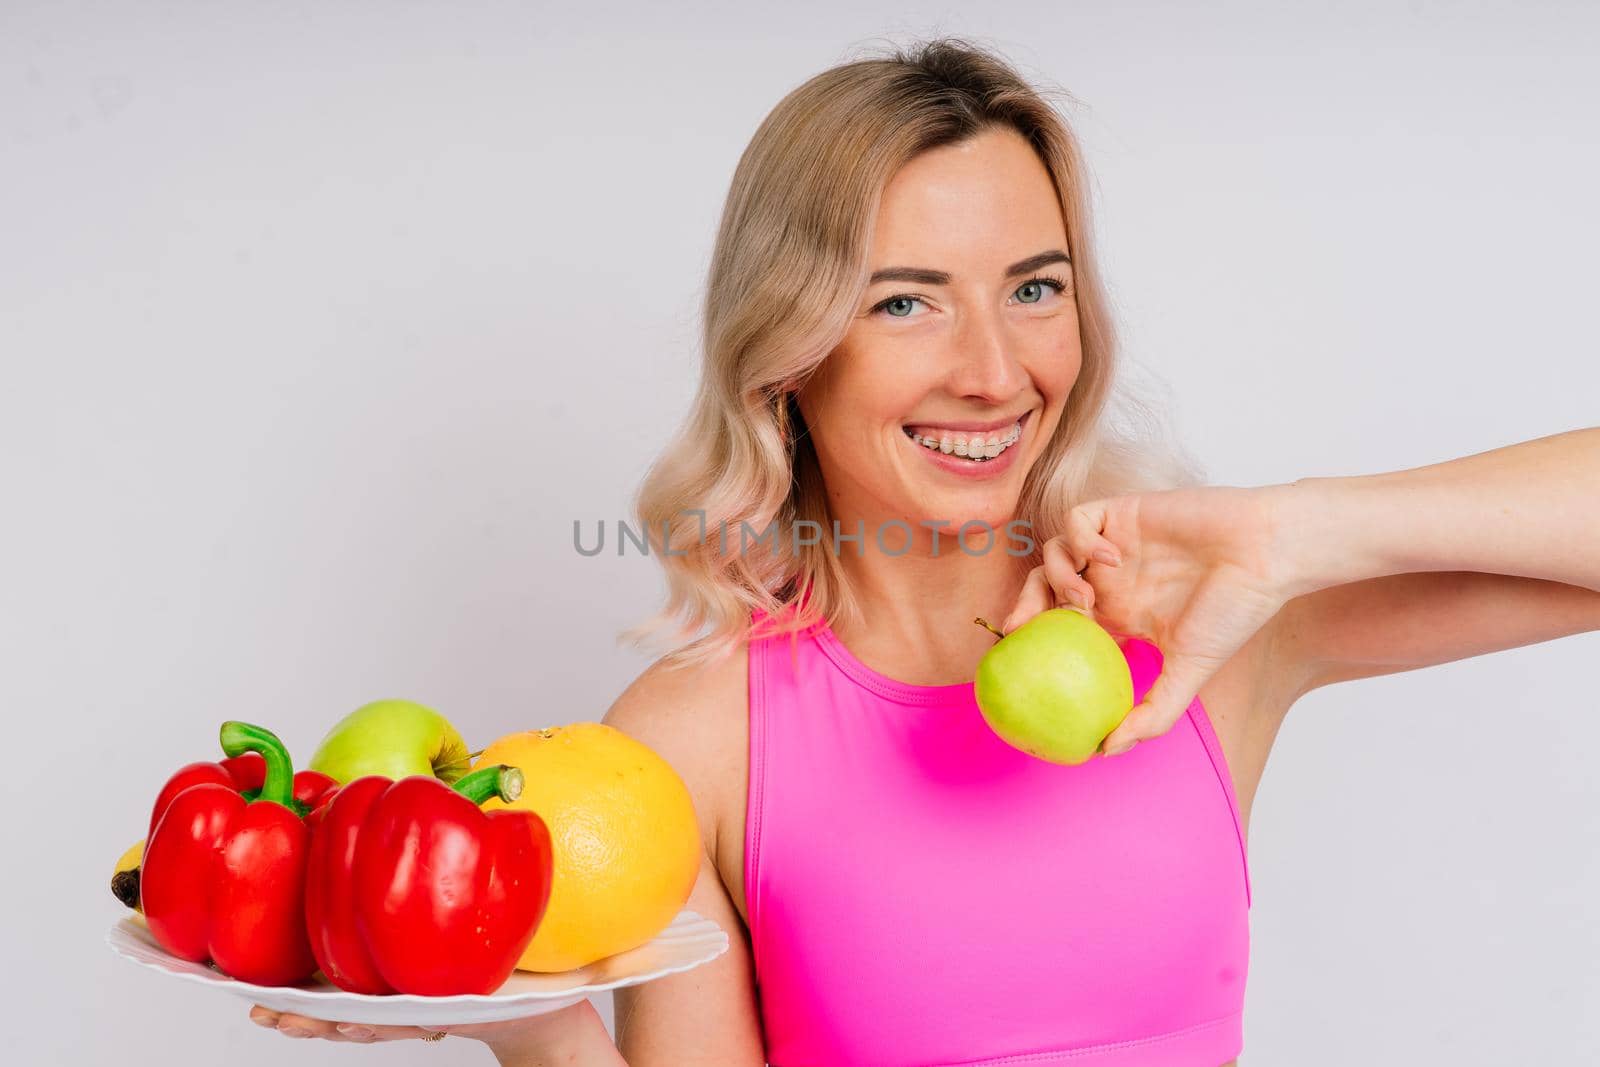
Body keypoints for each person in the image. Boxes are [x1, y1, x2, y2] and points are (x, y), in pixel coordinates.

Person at [250, 36, 1600, 1066]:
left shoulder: (1203, 638)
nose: (995, 370)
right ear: (788, 352)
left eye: (1036, 288)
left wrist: (1290, 530)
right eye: (906, 301)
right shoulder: (693, 743)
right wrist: (535, 1029)